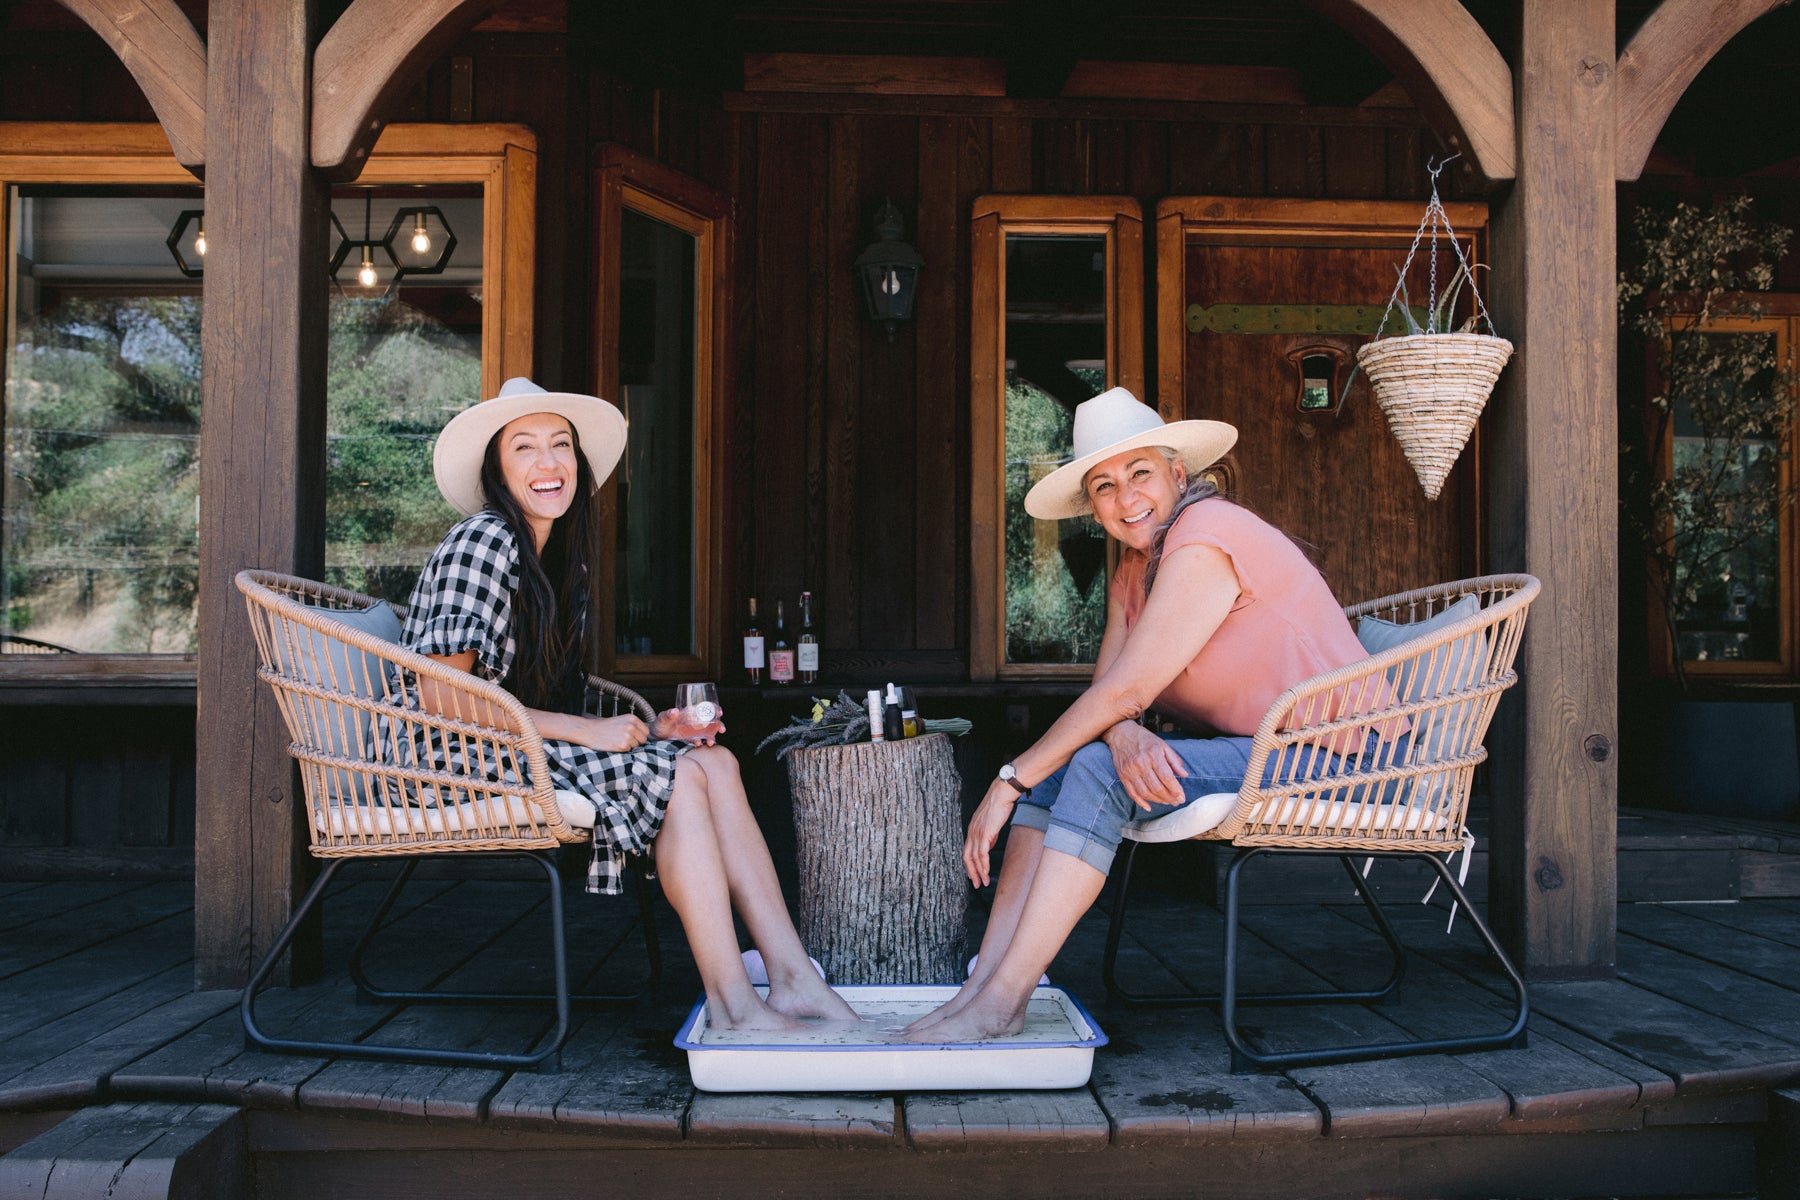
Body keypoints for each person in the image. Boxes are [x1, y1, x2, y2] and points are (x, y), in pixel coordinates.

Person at [906, 387, 1406, 1043]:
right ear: (1092, 508)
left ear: (1178, 474)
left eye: (1140, 472)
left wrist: (1007, 782)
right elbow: (1114, 693)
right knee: (1070, 769)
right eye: (1103, 486)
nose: (1125, 497)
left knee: (1089, 771)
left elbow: (1118, 695)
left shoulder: (1209, 536)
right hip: (1264, 750)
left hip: (1350, 759)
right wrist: (1125, 732)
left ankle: (1003, 1000)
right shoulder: (1133, 573)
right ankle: (983, 986)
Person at [407, 376, 855, 1032]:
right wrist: (587, 733)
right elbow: (442, 702)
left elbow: (550, 694)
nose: (549, 462)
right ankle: (736, 1004)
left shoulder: (556, 559)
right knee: (682, 778)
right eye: (525, 447)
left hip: (516, 743)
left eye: (560, 444)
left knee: (714, 764)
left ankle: (790, 977)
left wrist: (652, 726)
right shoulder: (485, 540)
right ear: (498, 469)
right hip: (446, 757)